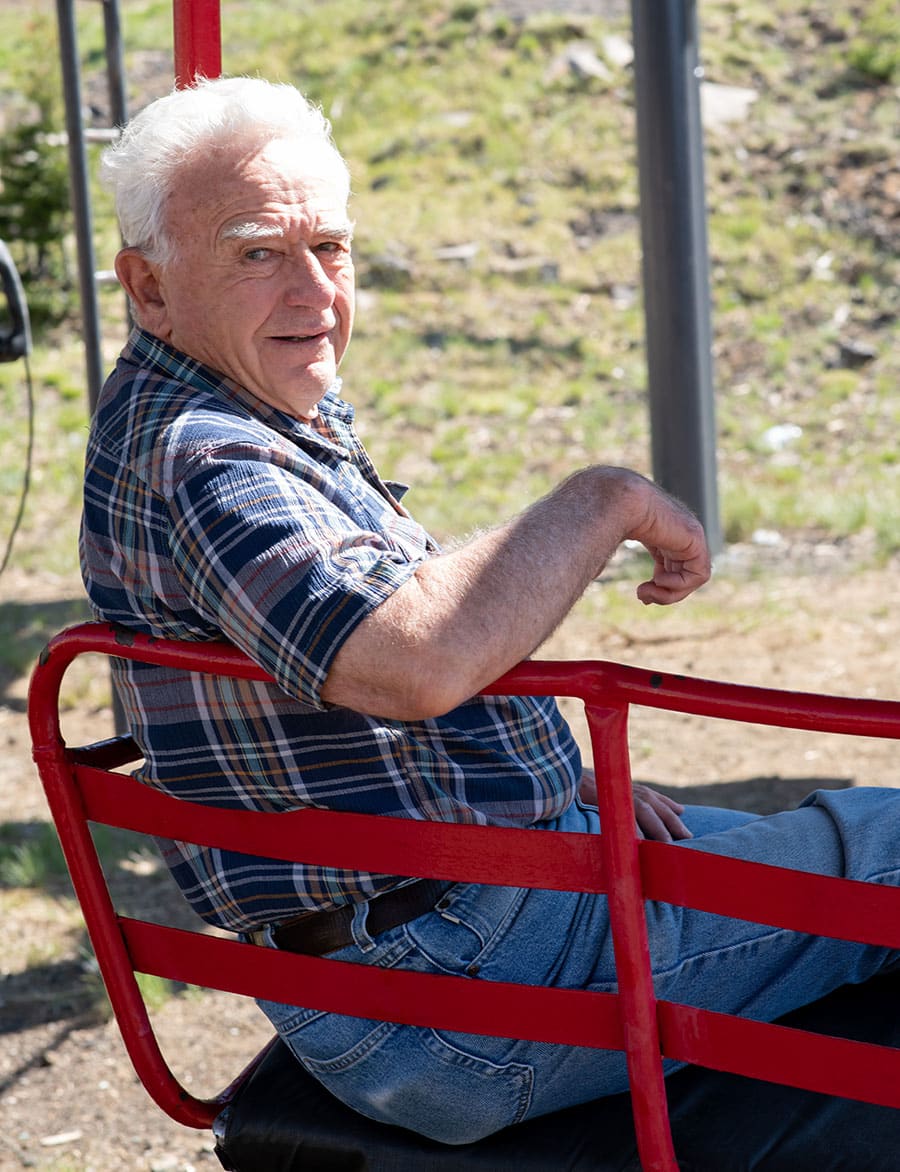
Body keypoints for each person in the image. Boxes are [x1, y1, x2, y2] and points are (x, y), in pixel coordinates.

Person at [81, 76, 900, 1145]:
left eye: (329, 248)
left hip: (442, 938)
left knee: (835, 838)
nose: (313, 294)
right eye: (255, 253)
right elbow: (413, 659)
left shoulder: (236, 410)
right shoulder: (205, 453)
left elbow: (380, 677)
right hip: (463, 990)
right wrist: (605, 498)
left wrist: (566, 791)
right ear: (148, 287)